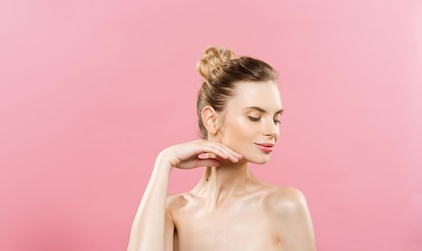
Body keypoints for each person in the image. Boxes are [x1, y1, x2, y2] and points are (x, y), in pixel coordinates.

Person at [127, 46, 316, 251]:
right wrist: (164, 162)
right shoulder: (172, 211)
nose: (272, 131)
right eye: (255, 117)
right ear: (211, 119)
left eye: (276, 119)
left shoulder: (284, 205)